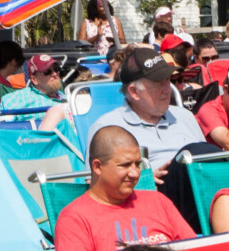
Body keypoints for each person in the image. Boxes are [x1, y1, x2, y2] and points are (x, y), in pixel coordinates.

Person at [52, 125, 199, 251]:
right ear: (97, 167)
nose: (135, 173)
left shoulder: (158, 202)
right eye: (125, 165)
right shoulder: (75, 217)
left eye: (138, 164)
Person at [83, 47, 206, 179]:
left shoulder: (184, 116)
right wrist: (144, 182)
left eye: (168, 80)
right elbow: (94, 184)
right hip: (149, 193)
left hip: (200, 188)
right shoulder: (107, 127)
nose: (168, 90)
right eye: (159, 84)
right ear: (134, 92)